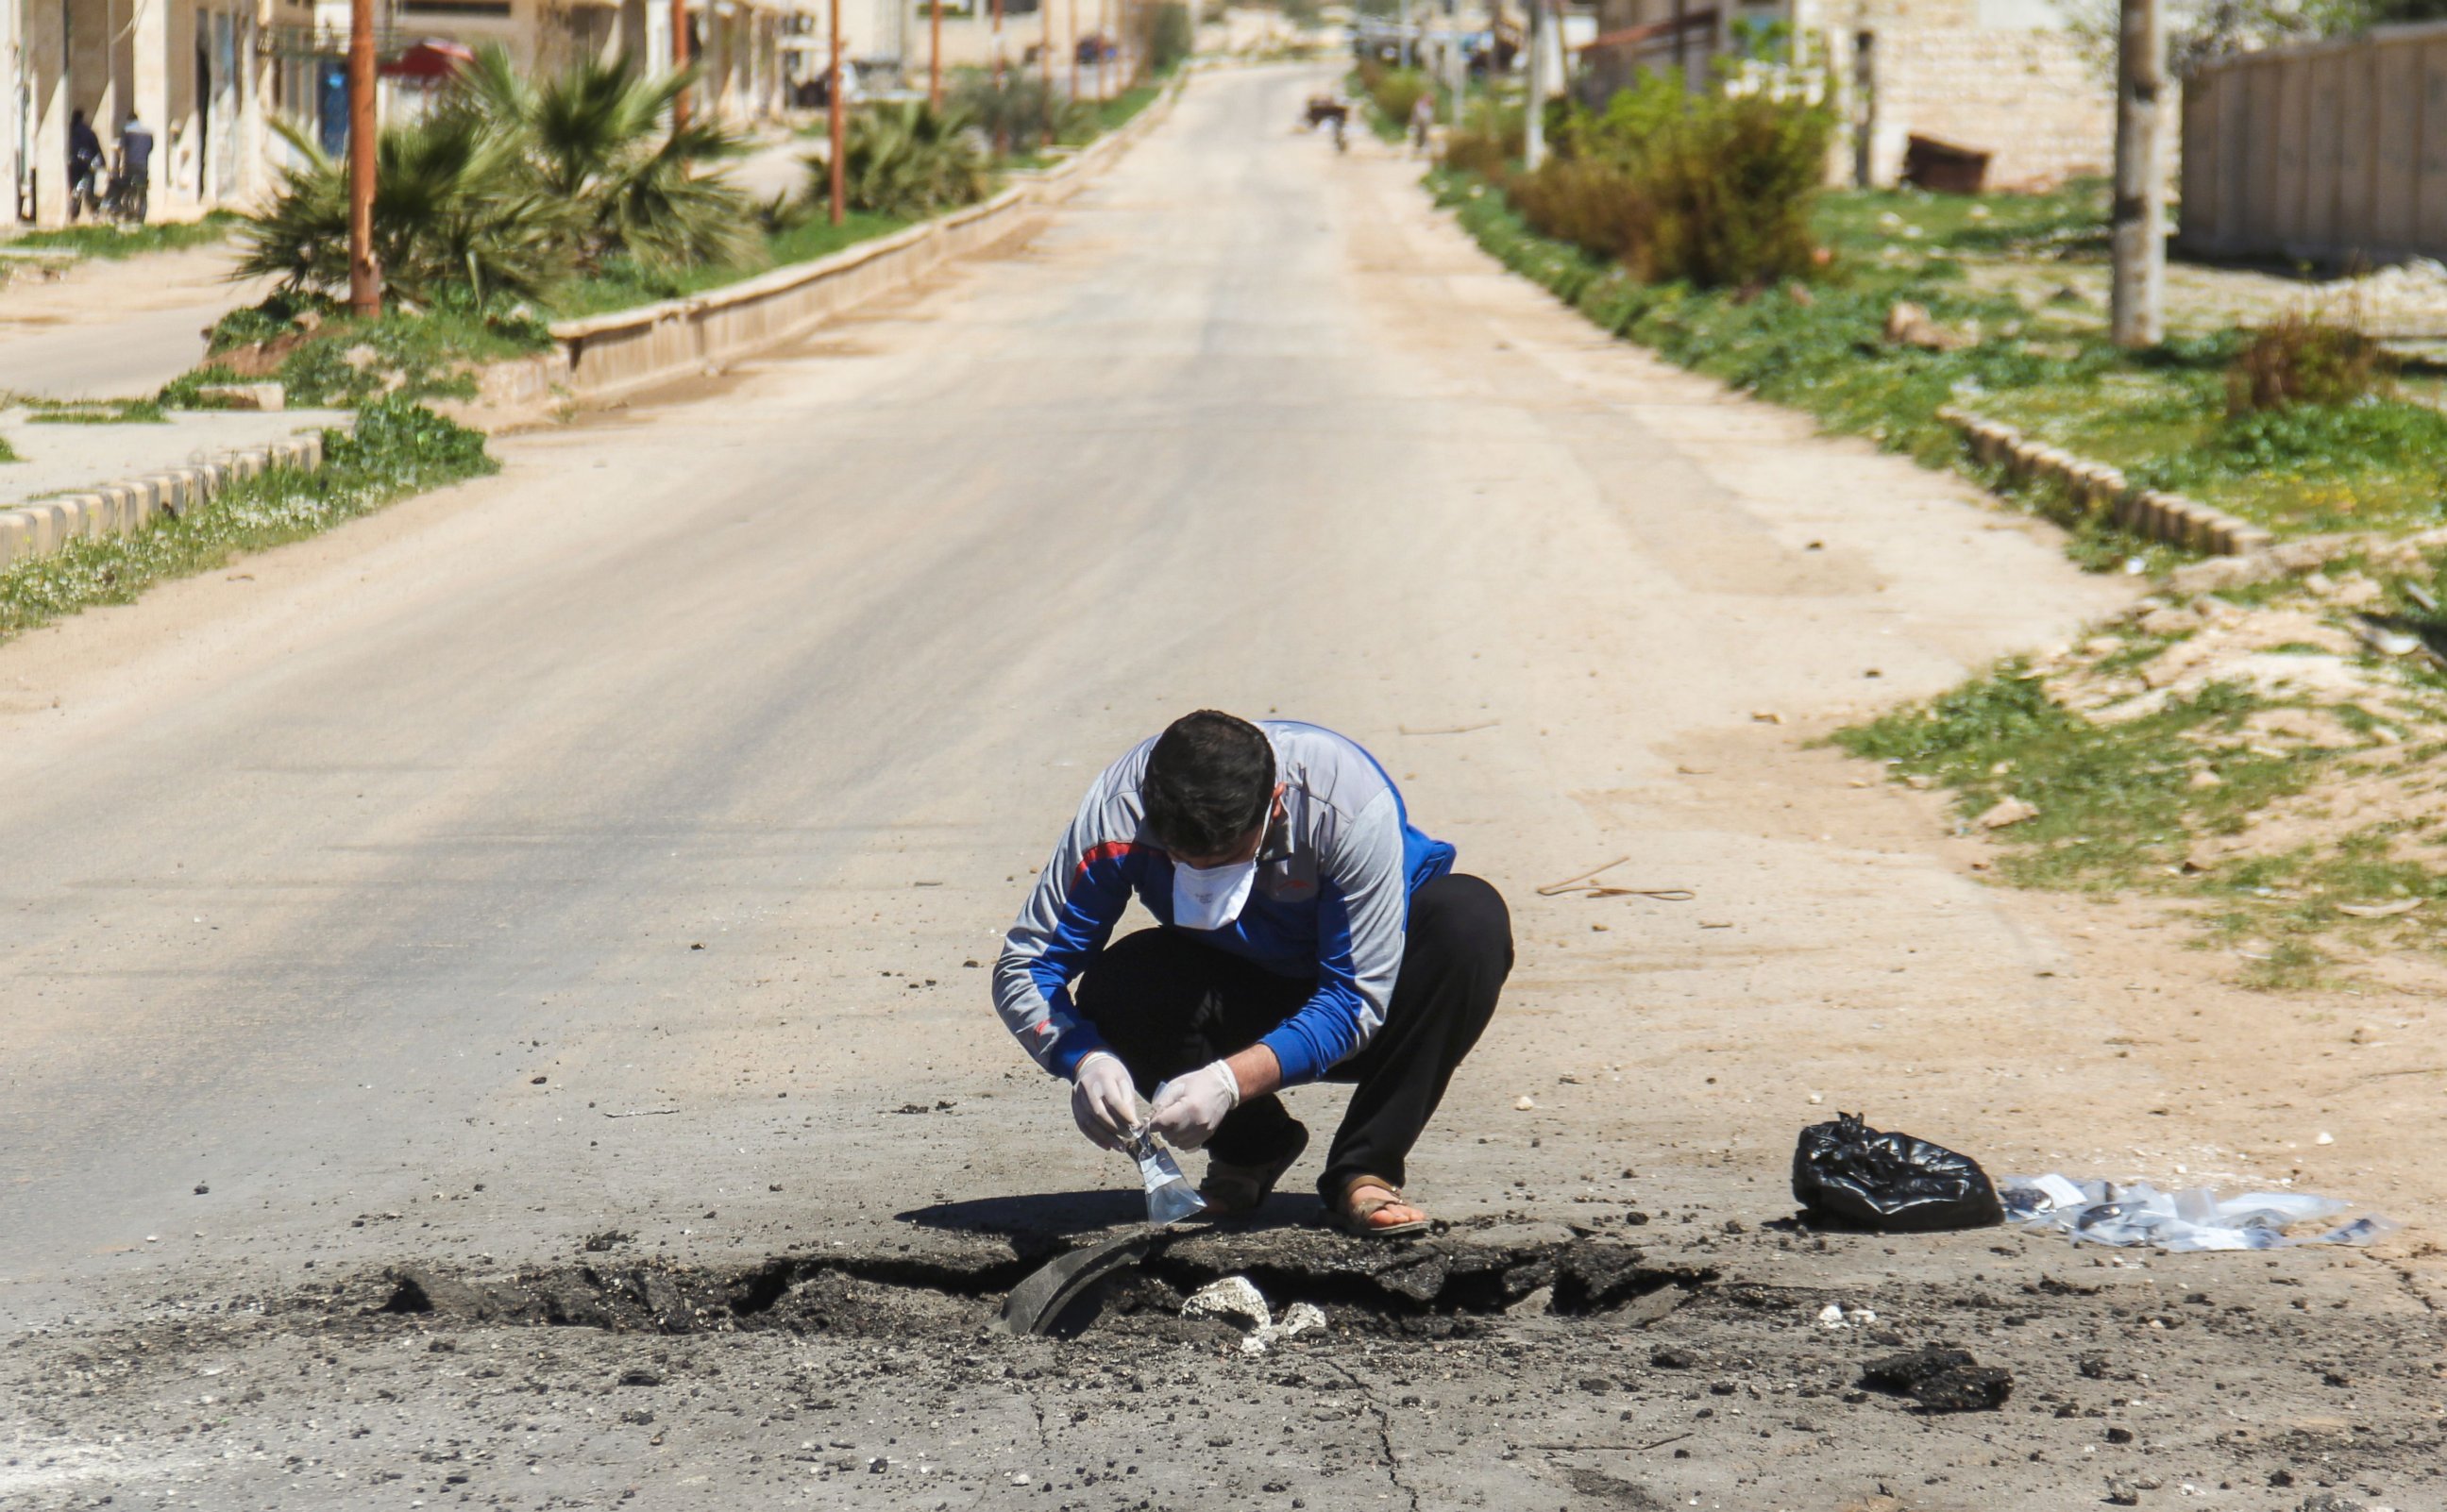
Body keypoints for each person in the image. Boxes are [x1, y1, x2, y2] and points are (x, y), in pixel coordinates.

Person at [994, 712, 1512, 1237]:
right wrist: (1084, 1058)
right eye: (1185, 861)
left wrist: (1228, 1081)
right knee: (1123, 980)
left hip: (1374, 1002)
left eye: (1228, 858)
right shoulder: (1117, 814)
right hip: (1238, 987)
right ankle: (1251, 1149)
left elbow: (1354, 1000)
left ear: (1277, 801)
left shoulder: (1347, 803)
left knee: (1469, 920)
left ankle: (1365, 1168)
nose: (1205, 879)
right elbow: (1026, 966)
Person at [66, 109, 104, 222]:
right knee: (89, 192)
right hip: (87, 167)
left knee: (75, 191)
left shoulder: (70, 132)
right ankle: (94, 214)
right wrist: (102, 161)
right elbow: (96, 148)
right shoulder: (88, 132)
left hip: (74, 166)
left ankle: (74, 216)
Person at [116, 114, 154, 223]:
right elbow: (150, 148)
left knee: (128, 189)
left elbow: (120, 148)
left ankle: (129, 213)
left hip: (130, 165)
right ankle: (141, 215)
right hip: (143, 165)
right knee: (142, 191)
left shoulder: (127, 132)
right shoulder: (147, 133)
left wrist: (119, 164)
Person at [1409, 92, 1434, 156]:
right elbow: (1419, 115)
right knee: (1419, 135)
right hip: (1419, 124)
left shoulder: (1428, 107)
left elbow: (1429, 117)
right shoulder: (1419, 105)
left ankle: (1421, 147)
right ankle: (1418, 148)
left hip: (1424, 124)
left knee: (1424, 135)